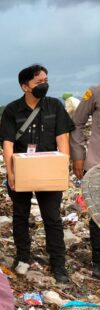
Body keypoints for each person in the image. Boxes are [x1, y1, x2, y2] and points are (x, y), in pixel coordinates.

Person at [0, 64, 75, 282]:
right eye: (39, 82)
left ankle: (58, 264)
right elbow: (8, 143)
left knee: (52, 217)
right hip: (22, 170)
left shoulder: (55, 106)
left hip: (48, 170)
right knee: (20, 216)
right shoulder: (12, 110)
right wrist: (10, 173)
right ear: (25, 87)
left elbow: (62, 138)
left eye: (46, 81)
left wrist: (63, 168)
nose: (44, 85)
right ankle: (23, 257)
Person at [71, 84, 100, 279]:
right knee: (98, 215)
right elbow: (77, 122)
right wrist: (79, 154)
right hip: (97, 164)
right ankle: (98, 262)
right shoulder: (95, 92)